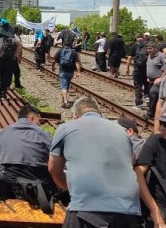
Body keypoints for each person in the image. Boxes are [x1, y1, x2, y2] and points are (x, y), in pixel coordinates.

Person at [48, 97, 142, 228]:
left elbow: (53, 169)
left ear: (75, 115)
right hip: (128, 210)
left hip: (87, 209)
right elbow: (132, 163)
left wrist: (73, 189)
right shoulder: (122, 131)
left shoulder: (65, 128)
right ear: (100, 113)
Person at [0, 104, 53, 187]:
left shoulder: (1, 133)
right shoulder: (43, 134)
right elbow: (55, 156)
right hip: (37, 185)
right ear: (32, 118)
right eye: (39, 121)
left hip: (9, 183)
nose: (39, 125)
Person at [51, 42, 81, 109]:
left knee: (63, 87)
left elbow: (53, 61)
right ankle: (64, 99)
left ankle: (65, 102)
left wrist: (53, 67)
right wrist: (78, 72)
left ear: (63, 44)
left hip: (63, 71)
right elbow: (77, 62)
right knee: (67, 86)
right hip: (71, 72)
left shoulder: (60, 51)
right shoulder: (73, 52)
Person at [126, 34, 150, 110]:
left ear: (136, 38)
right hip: (147, 68)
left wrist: (127, 68)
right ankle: (148, 98)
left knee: (138, 86)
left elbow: (130, 57)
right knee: (147, 84)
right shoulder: (148, 44)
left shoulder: (134, 45)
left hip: (138, 68)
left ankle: (139, 104)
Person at [144, 41, 166, 120]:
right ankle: (155, 113)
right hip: (151, 80)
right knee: (152, 96)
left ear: (155, 48)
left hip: (159, 81)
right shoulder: (150, 56)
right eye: (147, 49)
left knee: (153, 94)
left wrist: (161, 78)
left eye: (150, 48)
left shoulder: (162, 56)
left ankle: (150, 114)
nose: (148, 50)